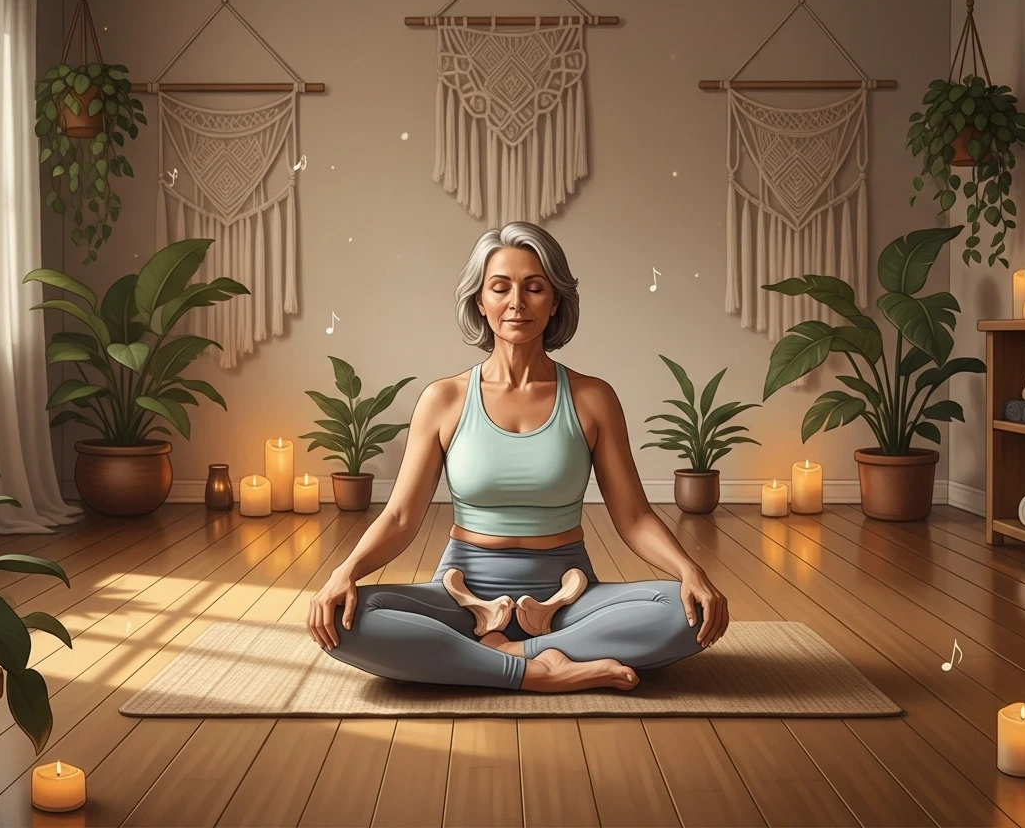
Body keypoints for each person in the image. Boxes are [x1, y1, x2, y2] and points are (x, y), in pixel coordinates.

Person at [307, 221, 729, 693]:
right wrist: (344, 573)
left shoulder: (593, 398)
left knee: (688, 611)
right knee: (341, 619)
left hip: (568, 596)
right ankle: (542, 671)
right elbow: (401, 517)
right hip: (461, 595)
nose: (517, 302)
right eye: (500, 287)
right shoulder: (444, 399)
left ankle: (507, 657)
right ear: (479, 301)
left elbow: (633, 517)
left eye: (534, 287)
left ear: (555, 301)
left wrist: (690, 571)